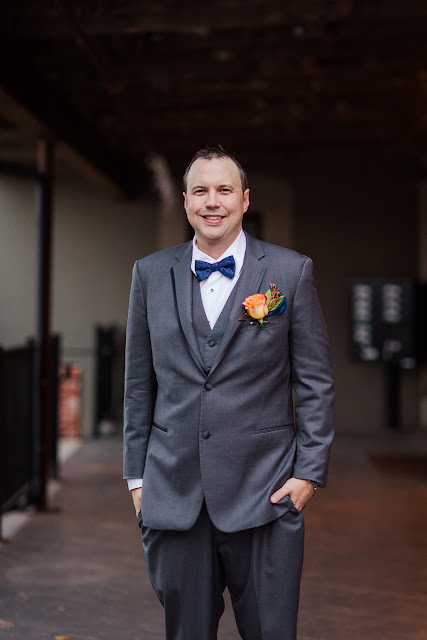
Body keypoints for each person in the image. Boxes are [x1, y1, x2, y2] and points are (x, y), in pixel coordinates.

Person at [123, 146, 334, 640]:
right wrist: (136, 478)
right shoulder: (150, 273)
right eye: (200, 191)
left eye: (223, 190)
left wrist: (308, 473)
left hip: (265, 489)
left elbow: (315, 380)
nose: (211, 201)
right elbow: (137, 385)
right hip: (174, 494)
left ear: (244, 199)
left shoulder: (290, 270)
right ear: (185, 201)